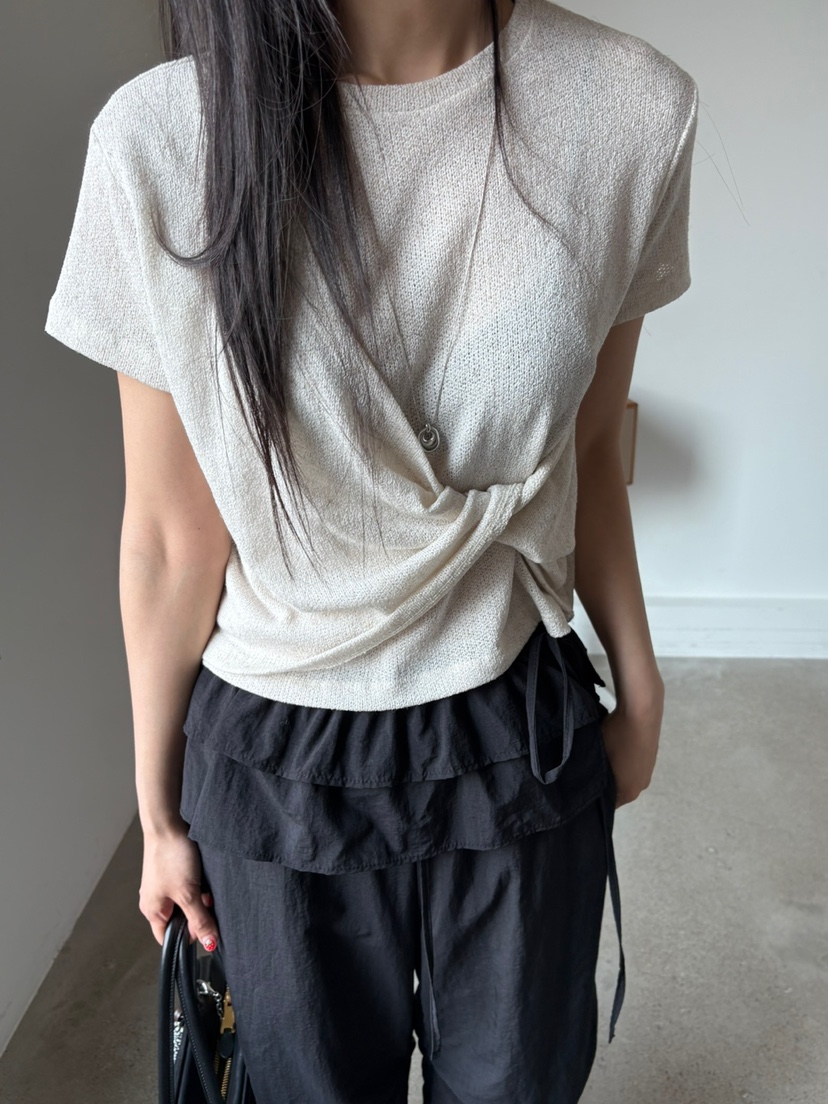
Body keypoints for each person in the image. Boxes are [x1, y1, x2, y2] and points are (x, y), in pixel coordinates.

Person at [44, 0, 697, 1099]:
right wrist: (158, 814)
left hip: (515, 722)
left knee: (520, 1082)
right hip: (273, 753)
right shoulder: (160, 141)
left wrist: (643, 689)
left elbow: (588, 446)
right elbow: (169, 533)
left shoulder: (630, 108)